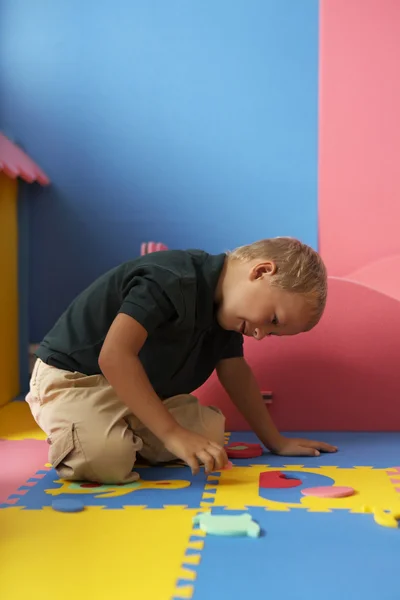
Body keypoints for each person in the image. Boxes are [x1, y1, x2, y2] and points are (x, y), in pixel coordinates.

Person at [26, 237, 337, 484]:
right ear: (261, 271)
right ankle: (88, 432)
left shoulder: (229, 313)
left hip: (136, 391)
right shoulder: (171, 279)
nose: (259, 334)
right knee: (107, 460)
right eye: (271, 319)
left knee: (209, 437)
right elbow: (115, 356)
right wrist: (172, 433)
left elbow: (236, 373)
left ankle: (121, 429)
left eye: (272, 333)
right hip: (75, 379)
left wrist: (275, 441)